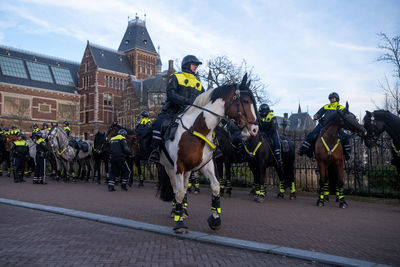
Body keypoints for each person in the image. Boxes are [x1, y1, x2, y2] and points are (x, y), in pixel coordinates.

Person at [149, 55, 204, 162]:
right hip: (173, 110)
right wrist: (186, 101)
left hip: (190, 112)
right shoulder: (176, 76)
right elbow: (170, 94)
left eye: (197, 65)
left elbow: (203, 98)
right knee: (158, 123)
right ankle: (154, 150)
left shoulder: (198, 83)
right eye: (194, 64)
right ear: (187, 65)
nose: (196, 67)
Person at [298, 92, 351, 160]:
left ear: (337, 99)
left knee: (345, 136)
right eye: (331, 98)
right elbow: (319, 113)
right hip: (324, 125)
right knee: (312, 134)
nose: (332, 99)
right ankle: (304, 149)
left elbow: (347, 116)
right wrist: (316, 116)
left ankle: (347, 153)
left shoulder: (341, 108)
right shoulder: (326, 106)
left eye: (333, 98)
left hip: (336, 126)